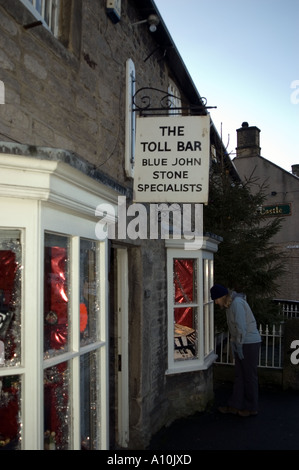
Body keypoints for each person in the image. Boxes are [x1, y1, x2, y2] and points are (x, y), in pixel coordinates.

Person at [211, 283, 261, 417]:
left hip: (249, 342)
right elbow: (235, 329)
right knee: (240, 375)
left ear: (222, 297)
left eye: (216, 299)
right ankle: (235, 405)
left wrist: (238, 345)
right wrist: (235, 344)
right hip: (242, 342)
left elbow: (241, 328)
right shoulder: (230, 305)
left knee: (249, 376)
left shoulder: (237, 304)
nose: (216, 303)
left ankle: (251, 407)